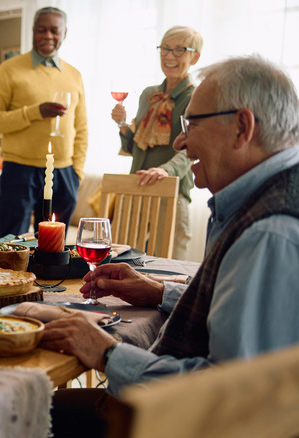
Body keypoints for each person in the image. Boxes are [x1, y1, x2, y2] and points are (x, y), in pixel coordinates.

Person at [43, 55, 299, 437]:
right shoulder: (267, 199)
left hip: (178, 423)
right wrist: (159, 291)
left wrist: (107, 352)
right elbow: (239, 311)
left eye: (191, 123)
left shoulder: (268, 233)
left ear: (242, 127)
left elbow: (228, 395)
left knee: (12, 414)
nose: (181, 140)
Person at [0, 6, 87, 237]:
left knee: (53, 250)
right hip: (20, 171)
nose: (48, 35)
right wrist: (34, 112)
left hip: (64, 173)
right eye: (42, 30)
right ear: (32, 32)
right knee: (10, 243)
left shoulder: (74, 75)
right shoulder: (9, 70)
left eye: (54, 31)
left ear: (64, 33)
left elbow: (82, 128)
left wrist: (76, 172)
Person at [111, 26, 202, 260]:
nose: (169, 56)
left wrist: (164, 170)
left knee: (170, 267)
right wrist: (123, 125)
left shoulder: (196, 98)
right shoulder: (148, 95)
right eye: (165, 49)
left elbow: (192, 148)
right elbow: (135, 147)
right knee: (124, 260)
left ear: (195, 57)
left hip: (173, 190)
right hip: (137, 187)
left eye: (179, 50)